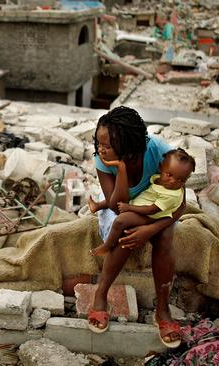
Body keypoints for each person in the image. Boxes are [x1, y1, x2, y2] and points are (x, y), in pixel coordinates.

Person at [86, 106, 185, 349]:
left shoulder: (160, 152)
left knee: (164, 238)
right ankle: (101, 294)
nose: (100, 149)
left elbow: (180, 204)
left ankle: (162, 310)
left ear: (129, 143)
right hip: (124, 207)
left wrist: (151, 230)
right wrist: (119, 168)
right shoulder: (103, 160)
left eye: (107, 144)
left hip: (155, 208)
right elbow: (116, 205)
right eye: (99, 143)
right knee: (124, 232)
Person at [89, 148, 195, 257]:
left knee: (120, 221)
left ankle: (107, 246)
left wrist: (129, 207)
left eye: (181, 180)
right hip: (142, 203)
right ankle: (98, 206)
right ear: (160, 168)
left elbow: (152, 209)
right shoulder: (160, 179)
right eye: (169, 175)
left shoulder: (171, 195)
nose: (173, 181)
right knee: (116, 199)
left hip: (151, 216)